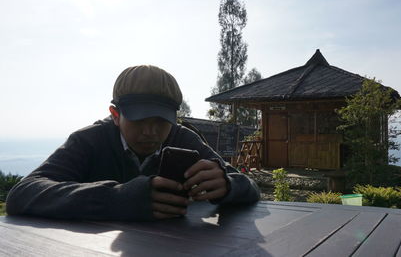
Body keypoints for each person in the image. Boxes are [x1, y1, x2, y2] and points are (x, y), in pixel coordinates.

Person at [6, 65, 260, 220]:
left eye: (161, 121)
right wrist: (117, 199)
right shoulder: (88, 141)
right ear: (115, 115)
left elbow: (248, 185)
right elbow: (21, 194)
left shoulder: (182, 137)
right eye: (139, 120)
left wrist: (227, 186)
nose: (151, 131)